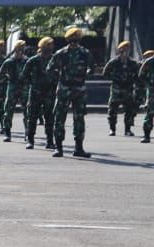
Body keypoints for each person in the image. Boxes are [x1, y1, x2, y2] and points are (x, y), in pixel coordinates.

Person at [48, 26, 93, 157]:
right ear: (68, 40)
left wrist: (86, 74)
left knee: (79, 118)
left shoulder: (85, 53)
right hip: (64, 88)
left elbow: (92, 67)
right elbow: (50, 68)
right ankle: (58, 147)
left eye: (76, 40)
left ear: (79, 40)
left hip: (79, 88)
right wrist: (60, 77)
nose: (74, 43)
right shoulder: (61, 53)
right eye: (71, 40)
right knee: (59, 118)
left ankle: (79, 148)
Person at [22, 37, 57, 150]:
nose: (51, 47)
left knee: (50, 118)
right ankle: (30, 140)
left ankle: (50, 141)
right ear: (44, 46)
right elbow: (24, 75)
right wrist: (32, 83)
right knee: (32, 117)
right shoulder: (33, 60)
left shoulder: (55, 59)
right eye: (49, 45)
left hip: (50, 93)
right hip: (35, 93)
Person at [101, 41, 139, 137]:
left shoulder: (133, 63)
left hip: (128, 89)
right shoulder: (114, 62)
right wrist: (114, 79)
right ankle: (112, 129)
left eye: (127, 50)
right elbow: (105, 73)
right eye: (123, 50)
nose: (125, 52)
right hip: (116, 89)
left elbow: (138, 75)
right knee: (112, 110)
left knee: (129, 110)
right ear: (120, 51)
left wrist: (132, 81)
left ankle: (128, 129)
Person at [0, 40, 29, 142]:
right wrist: (8, 77)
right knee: (8, 111)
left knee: (27, 112)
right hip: (12, 87)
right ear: (15, 49)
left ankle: (28, 134)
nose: (20, 51)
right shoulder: (9, 61)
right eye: (19, 49)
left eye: (22, 49)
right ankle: (7, 133)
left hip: (24, 88)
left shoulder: (27, 61)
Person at [139, 48, 154, 143]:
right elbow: (141, 75)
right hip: (153, 92)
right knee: (150, 113)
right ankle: (146, 135)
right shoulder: (150, 61)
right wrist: (149, 84)